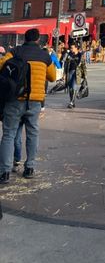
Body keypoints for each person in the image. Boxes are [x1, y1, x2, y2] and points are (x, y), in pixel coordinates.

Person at [0, 28, 56, 184]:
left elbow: (2, 66)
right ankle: (29, 168)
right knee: (32, 133)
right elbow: (52, 77)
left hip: (15, 99)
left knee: (8, 134)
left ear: (25, 38)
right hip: (35, 101)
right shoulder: (45, 55)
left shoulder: (15, 51)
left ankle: (4, 172)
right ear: (38, 40)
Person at [63, 43, 87, 109]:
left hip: (77, 73)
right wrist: (64, 74)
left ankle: (72, 102)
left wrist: (85, 75)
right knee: (70, 88)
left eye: (72, 48)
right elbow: (65, 65)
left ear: (76, 48)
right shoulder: (69, 55)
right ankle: (72, 101)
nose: (71, 49)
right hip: (70, 72)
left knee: (74, 86)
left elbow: (83, 65)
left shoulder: (80, 55)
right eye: (70, 48)